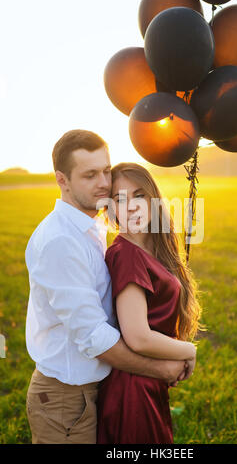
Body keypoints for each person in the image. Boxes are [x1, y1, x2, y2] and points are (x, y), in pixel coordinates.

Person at [25, 130, 192, 445]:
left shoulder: (93, 228)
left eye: (105, 170)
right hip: (66, 398)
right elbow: (96, 338)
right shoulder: (61, 240)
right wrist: (167, 365)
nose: (103, 182)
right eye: (90, 175)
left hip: (96, 389)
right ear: (62, 180)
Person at [96, 162, 203, 444]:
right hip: (132, 389)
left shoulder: (150, 249)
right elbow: (138, 337)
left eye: (139, 195)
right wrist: (188, 351)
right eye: (119, 199)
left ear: (153, 198)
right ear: (110, 208)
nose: (130, 206)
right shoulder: (127, 255)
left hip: (146, 381)